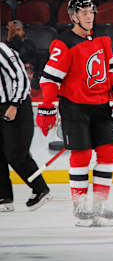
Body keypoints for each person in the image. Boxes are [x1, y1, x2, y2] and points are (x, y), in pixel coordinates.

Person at [36, 0, 113, 227]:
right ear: (74, 17)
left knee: (108, 153)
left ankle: (99, 205)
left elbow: (108, 71)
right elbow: (49, 79)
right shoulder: (63, 43)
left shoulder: (103, 40)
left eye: (91, 12)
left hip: (101, 107)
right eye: (84, 13)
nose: (90, 16)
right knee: (82, 156)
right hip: (75, 108)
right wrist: (47, 107)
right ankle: (80, 207)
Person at [0, 41, 51, 212]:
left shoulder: (2, 50)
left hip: (16, 105)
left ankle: (40, 189)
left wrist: (14, 104)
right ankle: (4, 197)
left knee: (16, 154)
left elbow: (20, 76)